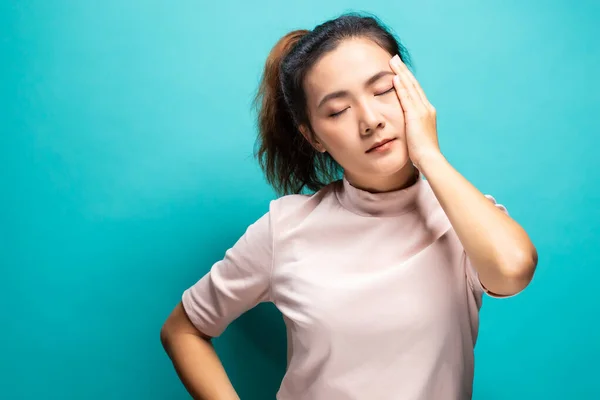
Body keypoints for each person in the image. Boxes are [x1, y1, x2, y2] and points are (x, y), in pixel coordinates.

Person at [160, 13, 538, 400]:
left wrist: (430, 156)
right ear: (313, 136)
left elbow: (513, 269)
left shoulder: (463, 218)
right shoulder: (285, 229)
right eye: (338, 111)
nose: (370, 120)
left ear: (412, 90)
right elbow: (182, 330)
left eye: (384, 90)